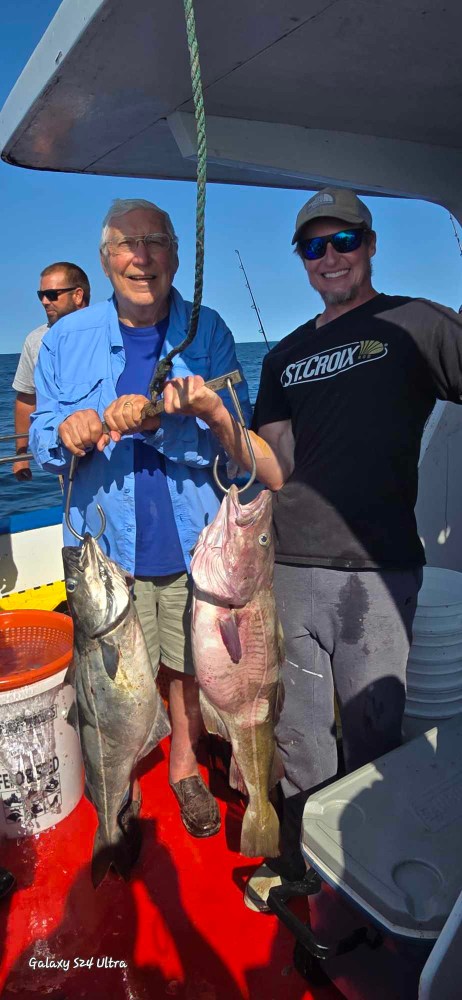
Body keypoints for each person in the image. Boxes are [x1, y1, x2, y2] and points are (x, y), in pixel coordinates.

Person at [159, 186, 462, 908]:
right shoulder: (288, 354)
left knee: (372, 735)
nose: (329, 258)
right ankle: (301, 865)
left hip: (376, 570)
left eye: (344, 241)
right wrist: (217, 418)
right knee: (293, 734)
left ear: (370, 243)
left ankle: (372, 881)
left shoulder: (417, 322)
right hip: (279, 569)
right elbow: (275, 464)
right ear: (301, 258)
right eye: (313, 247)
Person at [29, 198, 252, 838]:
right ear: (106, 261)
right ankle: (117, 787)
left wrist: (161, 424)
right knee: (108, 682)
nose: (142, 256)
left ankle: (183, 767)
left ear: (176, 255)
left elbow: (234, 439)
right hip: (102, 552)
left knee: (184, 666)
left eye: (156, 241)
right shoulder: (62, 340)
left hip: (190, 542)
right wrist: (65, 432)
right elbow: (43, 437)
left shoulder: (206, 333)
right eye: (127, 244)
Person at [12, 262, 90, 481]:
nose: (45, 301)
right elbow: (27, 398)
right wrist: (21, 455)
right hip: (62, 453)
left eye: (52, 294)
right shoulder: (35, 341)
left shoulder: (109, 329)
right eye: (41, 295)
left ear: (77, 295)